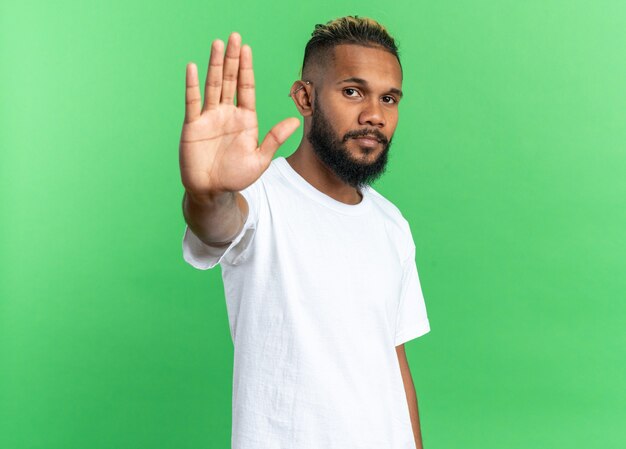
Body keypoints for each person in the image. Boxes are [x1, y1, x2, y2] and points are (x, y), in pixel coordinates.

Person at [179, 16, 431, 449]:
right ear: (305, 98)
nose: (374, 114)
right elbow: (217, 223)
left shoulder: (393, 225)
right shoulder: (259, 198)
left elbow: (395, 363)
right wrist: (208, 193)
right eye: (352, 91)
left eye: (389, 98)